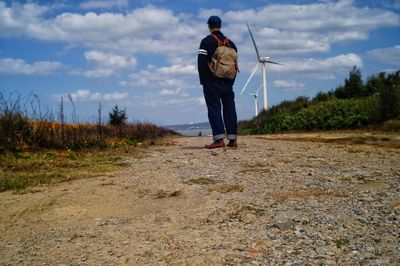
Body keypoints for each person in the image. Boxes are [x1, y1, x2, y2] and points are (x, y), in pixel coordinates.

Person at [197, 15, 238, 149]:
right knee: (230, 110)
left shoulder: (206, 41)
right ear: (220, 25)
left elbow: (202, 63)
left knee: (214, 109)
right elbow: (235, 65)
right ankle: (232, 140)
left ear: (209, 26)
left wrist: (204, 81)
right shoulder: (231, 44)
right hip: (228, 83)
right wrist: (231, 82)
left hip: (212, 83)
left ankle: (219, 139)